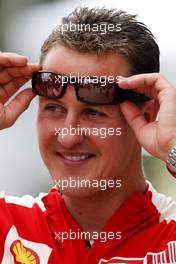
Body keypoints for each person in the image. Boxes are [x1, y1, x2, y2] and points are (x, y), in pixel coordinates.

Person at [0, 6, 176, 264]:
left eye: (93, 114)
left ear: (147, 117)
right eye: (54, 108)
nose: (68, 137)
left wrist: (173, 148)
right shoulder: (7, 226)